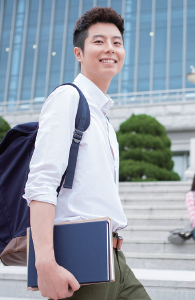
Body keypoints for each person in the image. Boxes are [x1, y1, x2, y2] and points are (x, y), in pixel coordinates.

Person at [23, 7, 151, 300]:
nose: (110, 48)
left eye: (117, 42)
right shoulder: (67, 98)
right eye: (99, 41)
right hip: (80, 259)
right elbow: (41, 181)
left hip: (115, 256)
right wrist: (45, 263)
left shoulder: (104, 119)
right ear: (78, 53)